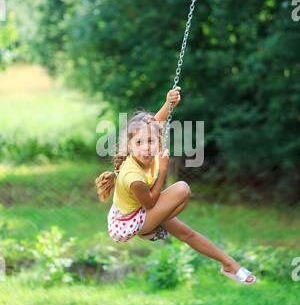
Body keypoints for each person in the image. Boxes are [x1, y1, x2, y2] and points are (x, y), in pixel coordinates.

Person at [95, 87, 256, 285]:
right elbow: (150, 203)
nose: (146, 148)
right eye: (139, 143)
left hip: (141, 210)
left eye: (150, 141)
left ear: (157, 139)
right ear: (130, 146)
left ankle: (229, 265)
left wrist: (168, 103)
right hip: (132, 221)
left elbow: (156, 123)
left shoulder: (149, 146)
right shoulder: (132, 176)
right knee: (182, 189)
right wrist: (163, 169)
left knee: (187, 233)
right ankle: (151, 230)